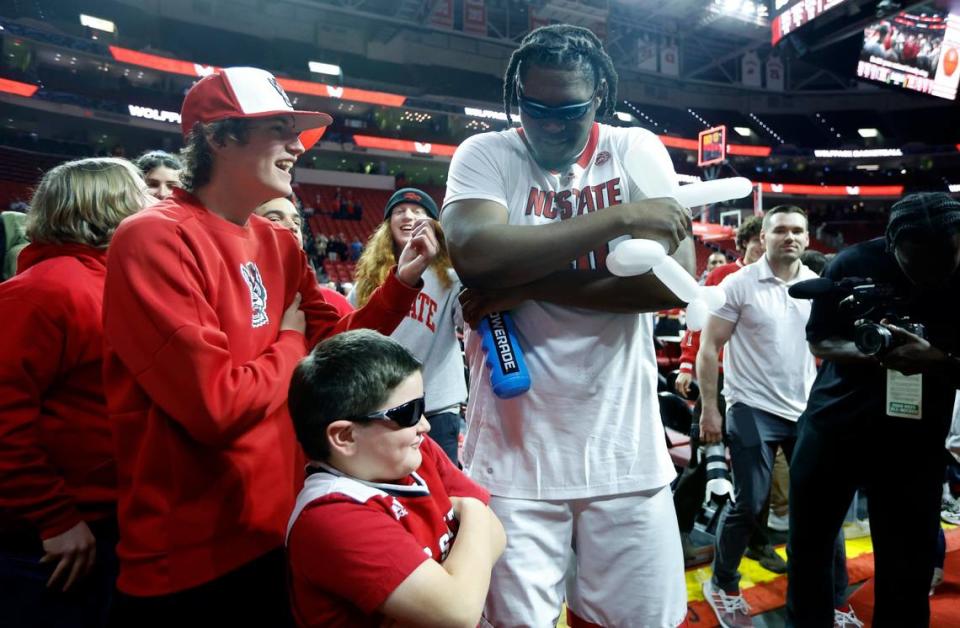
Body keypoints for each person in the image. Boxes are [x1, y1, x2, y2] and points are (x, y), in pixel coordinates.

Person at [102, 67, 438, 626]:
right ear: (218, 136)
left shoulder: (278, 243)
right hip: (188, 558)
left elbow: (336, 349)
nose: (296, 144)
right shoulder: (153, 236)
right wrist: (287, 339)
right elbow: (216, 406)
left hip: (278, 529)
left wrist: (400, 286)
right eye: (279, 128)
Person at [441, 24, 693, 627]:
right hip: (512, 456)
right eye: (534, 107)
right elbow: (476, 254)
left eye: (569, 110)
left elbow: (669, 281)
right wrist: (622, 218)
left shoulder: (635, 149)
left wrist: (528, 282)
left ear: (599, 97)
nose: (550, 123)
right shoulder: (487, 153)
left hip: (625, 453)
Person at [787, 193, 960, 627]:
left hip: (914, 439)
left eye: (947, 260)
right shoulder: (849, 263)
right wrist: (879, 354)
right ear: (890, 243)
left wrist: (936, 359)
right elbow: (820, 339)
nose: (932, 276)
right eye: (917, 264)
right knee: (809, 549)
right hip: (834, 427)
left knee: (908, 564)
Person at [0, 158, 151, 627]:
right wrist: (54, 517)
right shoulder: (39, 292)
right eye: (141, 196)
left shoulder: (117, 284)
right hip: (55, 540)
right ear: (114, 206)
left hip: (111, 523)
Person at [285, 330, 504, 626]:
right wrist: (475, 513)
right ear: (345, 436)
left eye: (422, 406)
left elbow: (498, 534)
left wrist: (460, 582)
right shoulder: (331, 516)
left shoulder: (416, 451)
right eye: (408, 412)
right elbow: (459, 611)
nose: (424, 425)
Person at [697, 206, 850, 627]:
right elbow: (709, 348)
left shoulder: (818, 287)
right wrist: (710, 409)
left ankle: (836, 601)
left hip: (806, 410)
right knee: (751, 501)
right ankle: (723, 582)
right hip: (749, 408)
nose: (790, 237)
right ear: (763, 237)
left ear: (807, 237)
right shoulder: (738, 284)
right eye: (780, 230)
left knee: (822, 507)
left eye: (798, 230)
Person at [672, 217, 788, 572]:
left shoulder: (778, 281)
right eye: (757, 242)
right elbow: (698, 321)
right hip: (718, 382)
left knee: (760, 467)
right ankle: (677, 532)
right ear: (749, 242)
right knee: (703, 461)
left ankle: (756, 541)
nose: (761, 249)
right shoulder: (726, 278)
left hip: (757, 386)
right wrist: (688, 364)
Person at [350, 189, 466, 464]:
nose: (408, 216)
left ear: (434, 227)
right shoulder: (365, 284)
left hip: (438, 409)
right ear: (387, 226)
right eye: (399, 211)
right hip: (383, 406)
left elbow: (470, 320)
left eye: (418, 212)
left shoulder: (452, 278)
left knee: (442, 498)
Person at [255, 197, 354, 317]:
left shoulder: (334, 304)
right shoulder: (236, 299)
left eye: (297, 222)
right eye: (274, 219)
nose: (293, 226)